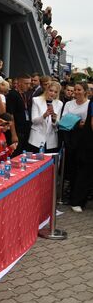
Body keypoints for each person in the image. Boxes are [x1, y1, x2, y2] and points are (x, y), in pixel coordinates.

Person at [61, 82, 91, 212]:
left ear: (85, 91)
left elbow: (88, 121)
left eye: (79, 90)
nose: (76, 92)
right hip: (70, 136)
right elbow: (63, 118)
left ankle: (76, 195)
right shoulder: (68, 104)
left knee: (81, 167)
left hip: (83, 138)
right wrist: (78, 122)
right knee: (70, 166)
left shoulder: (89, 104)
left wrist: (76, 120)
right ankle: (69, 194)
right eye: (75, 90)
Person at [28, 81, 63, 153]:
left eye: (55, 92)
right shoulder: (36, 100)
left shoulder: (59, 103)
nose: (53, 93)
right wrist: (44, 115)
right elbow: (34, 120)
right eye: (51, 90)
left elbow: (57, 124)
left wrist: (54, 119)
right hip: (36, 137)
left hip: (51, 139)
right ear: (47, 90)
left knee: (49, 162)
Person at [6, 74, 32, 156]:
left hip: (24, 131)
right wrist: (13, 134)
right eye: (26, 83)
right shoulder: (12, 94)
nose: (28, 86)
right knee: (15, 155)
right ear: (19, 83)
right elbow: (11, 115)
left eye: (29, 83)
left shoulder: (24, 94)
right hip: (16, 131)